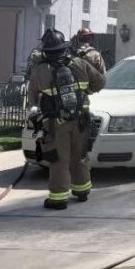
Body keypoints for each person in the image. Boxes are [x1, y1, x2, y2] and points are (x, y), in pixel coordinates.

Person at [27, 29, 105, 210]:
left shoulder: (40, 70)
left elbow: (32, 98)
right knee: (80, 155)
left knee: (58, 159)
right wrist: (85, 92)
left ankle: (59, 198)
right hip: (81, 120)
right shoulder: (80, 63)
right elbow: (100, 82)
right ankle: (82, 191)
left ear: (46, 50)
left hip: (55, 124)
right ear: (64, 47)